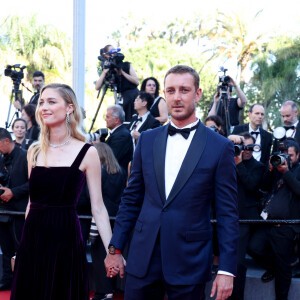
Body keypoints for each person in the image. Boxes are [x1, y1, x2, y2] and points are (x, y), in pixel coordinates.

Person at [104, 65, 239, 300]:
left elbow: (227, 213)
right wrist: (115, 248)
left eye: (184, 90)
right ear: (164, 95)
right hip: (143, 258)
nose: (177, 97)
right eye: (171, 90)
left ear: (197, 94)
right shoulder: (147, 140)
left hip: (190, 261)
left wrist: (226, 269)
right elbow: (131, 200)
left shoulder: (220, 147)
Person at [10, 83, 115, 299]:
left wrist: (113, 251)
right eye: (41, 102)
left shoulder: (87, 152)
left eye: (51, 101)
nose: (44, 107)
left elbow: (98, 207)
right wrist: (20, 248)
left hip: (65, 239)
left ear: (69, 108)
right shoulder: (35, 151)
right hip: (33, 239)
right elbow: (32, 203)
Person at [248, 140, 300, 300]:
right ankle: (275, 268)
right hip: (267, 222)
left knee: (283, 268)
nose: (287, 158)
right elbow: (263, 187)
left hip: (286, 226)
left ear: (298, 155)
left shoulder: (295, 170)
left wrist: (286, 172)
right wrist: (271, 170)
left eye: (290, 155)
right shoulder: (277, 167)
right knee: (254, 247)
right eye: (283, 155)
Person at [227, 132, 265, 300]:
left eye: (250, 148)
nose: (246, 151)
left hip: (245, 219)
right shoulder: (228, 162)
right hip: (227, 216)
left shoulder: (258, 166)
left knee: (238, 262)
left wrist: (239, 163)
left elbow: (251, 186)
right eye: (243, 147)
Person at [90, 142, 127, 300]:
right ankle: (111, 289)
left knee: (99, 256)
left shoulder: (99, 172)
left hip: (101, 218)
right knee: (111, 253)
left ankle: (104, 292)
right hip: (116, 218)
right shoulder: (121, 171)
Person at [0, 128, 29, 291]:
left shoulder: (25, 156)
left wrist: (14, 192)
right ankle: (7, 279)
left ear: (6, 141)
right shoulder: (1, 158)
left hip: (20, 211)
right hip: (4, 211)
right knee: (5, 248)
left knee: (21, 248)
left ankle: (22, 281)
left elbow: (35, 183)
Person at [95, 45, 139, 122]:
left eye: (115, 50)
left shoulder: (126, 65)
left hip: (133, 96)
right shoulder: (109, 70)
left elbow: (136, 81)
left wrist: (123, 73)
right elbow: (97, 87)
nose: (114, 52)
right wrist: (104, 72)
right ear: (106, 55)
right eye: (112, 51)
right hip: (122, 98)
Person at [105, 105, 133, 174]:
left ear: (116, 120)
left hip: (116, 178)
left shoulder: (122, 135)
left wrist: (100, 146)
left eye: (107, 117)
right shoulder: (118, 133)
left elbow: (112, 158)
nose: (105, 119)